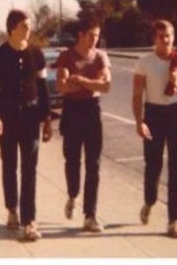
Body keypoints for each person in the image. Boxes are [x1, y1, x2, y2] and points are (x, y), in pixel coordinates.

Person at [0, 9, 53, 241]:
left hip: (31, 117)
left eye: (29, 25)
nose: (28, 29)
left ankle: (29, 220)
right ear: (12, 28)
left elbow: (43, 89)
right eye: (24, 25)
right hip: (7, 117)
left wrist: (47, 119)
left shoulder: (36, 54)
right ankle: (12, 208)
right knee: (10, 165)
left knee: (30, 168)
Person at [131, 20, 177, 238]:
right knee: (153, 166)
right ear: (154, 39)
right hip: (153, 114)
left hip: (175, 114)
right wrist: (139, 121)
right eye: (161, 36)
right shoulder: (144, 62)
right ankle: (149, 201)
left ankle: (174, 220)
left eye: (169, 35)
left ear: (174, 36)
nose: (166, 40)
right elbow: (137, 94)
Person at [55, 18, 111, 232]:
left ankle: (90, 215)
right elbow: (62, 87)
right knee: (72, 160)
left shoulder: (100, 57)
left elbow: (106, 85)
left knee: (93, 164)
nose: (94, 40)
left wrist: (80, 81)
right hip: (72, 111)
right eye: (91, 36)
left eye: (97, 36)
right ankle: (72, 195)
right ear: (80, 34)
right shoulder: (66, 56)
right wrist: (88, 83)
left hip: (92, 110)